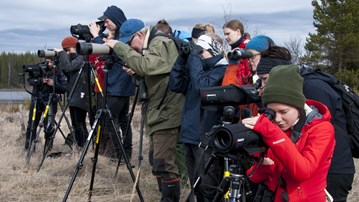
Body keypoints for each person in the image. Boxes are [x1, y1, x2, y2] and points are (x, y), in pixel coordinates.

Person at [256, 46, 355, 202]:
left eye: (265, 79)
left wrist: (270, 131)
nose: (261, 85)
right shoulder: (284, 120)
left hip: (334, 169)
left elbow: (316, 129)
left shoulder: (313, 90)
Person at [104, 18, 185, 201]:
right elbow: (155, 74)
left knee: (163, 162)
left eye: (130, 43)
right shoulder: (153, 45)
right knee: (156, 160)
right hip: (160, 110)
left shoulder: (161, 42)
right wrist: (137, 74)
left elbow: (148, 66)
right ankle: (164, 196)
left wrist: (119, 47)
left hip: (168, 112)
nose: (130, 48)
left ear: (139, 35)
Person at [242, 65, 335, 201]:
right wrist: (265, 167)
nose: (278, 119)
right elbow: (253, 176)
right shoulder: (273, 128)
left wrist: (271, 132)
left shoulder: (322, 129)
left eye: (284, 112)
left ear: (299, 107)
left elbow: (302, 172)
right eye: (272, 112)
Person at [170, 33, 227, 201]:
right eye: (197, 52)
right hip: (190, 135)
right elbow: (175, 84)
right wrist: (182, 58)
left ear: (213, 51)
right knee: (197, 187)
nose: (199, 56)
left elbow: (202, 87)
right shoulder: (197, 71)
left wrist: (194, 57)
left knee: (208, 187)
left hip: (206, 138)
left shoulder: (221, 71)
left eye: (201, 52)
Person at [88, 5, 135, 160]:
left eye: (107, 21)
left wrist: (95, 37)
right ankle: (125, 153)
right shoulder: (122, 35)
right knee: (123, 119)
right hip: (122, 85)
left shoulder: (123, 37)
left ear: (115, 19)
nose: (105, 24)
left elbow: (114, 53)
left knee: (110, 119)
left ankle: (119, 154)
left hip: (118, 85)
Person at [25, 59, 67, 150]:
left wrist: (54, 84)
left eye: (51, 61)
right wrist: (40, 80)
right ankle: (29, 148)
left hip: (51, 100)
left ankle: (48, 150)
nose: (49, 63)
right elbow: (30, 80)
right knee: (32, 124)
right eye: (48, 61)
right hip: (37, 99)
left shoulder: (59, 70)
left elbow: (65, 88)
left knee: (49, 126)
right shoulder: (39, 67)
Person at [55, 36, 89, 148]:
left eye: (67, 50)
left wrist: (62, 55)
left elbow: (69, 67)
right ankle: (78, 146)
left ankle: (84, 146)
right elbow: (67, 72)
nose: (66, 52)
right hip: (73, 94)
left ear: (72, 47)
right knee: (75, 124)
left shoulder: (81, 57)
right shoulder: (75, 58)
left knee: (80, 123)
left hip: (80, 95)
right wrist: (61, 61)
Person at [222, 19, 250, 86]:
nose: (225, 37)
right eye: (224, 34)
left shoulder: (248, 50)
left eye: (228, 34)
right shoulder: (235, 52)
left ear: (238, 31)